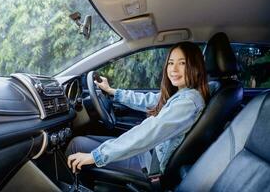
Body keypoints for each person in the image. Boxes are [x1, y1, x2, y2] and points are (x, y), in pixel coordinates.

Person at [66, 41, 210, 176]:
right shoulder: (183, 93)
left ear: (195, 66)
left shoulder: (188, 102)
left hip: (151, 165)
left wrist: (96, 156)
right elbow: (149, 100)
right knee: (83, 142)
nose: (173, 69)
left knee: (76, 145)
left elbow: (149, 132)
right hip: (148, 153)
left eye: (182, 63)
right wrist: (112, 91)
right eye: (171, 63)